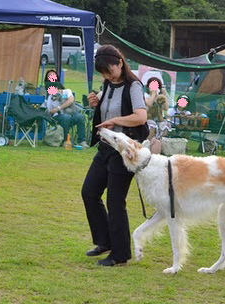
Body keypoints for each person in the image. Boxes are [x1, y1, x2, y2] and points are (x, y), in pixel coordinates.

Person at [81, 45, 148, 267]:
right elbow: (105, 110)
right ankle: (104, 241)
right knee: (89, 192)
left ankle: (120, 255)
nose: (107, 76)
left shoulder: (134, 86)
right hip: (105, 147)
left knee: (115, 201)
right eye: (103, 73)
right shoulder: (108, 85)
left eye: (109, 71)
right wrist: (96, 104)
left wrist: (116, 121)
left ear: (120, 63)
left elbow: (140, 117)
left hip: (125, 149)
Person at [42, 69, 89, 148]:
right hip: (57, 118)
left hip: (70, 114)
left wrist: (58, 107)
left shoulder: (67, 91)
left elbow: (71, 100)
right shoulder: (50, 96)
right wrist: (53, 110)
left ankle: (82, 141)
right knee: (66, 117)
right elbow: (50, 111)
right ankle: (65, 141)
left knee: (80, 116)